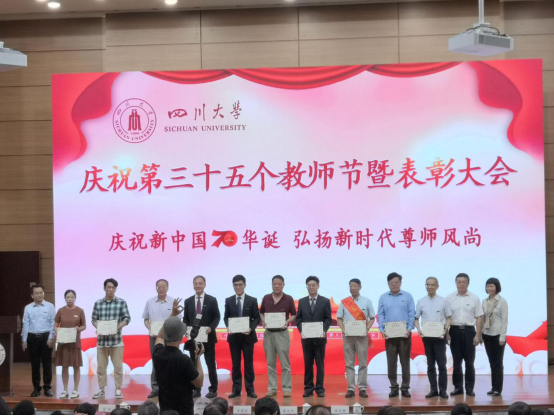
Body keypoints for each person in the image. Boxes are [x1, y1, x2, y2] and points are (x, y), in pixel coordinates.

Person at [154, 299, 204, 414]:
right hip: (184, 410)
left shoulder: (158, 353)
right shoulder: (184, 360)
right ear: (181, 337)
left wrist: (172, 315)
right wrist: (198, 357)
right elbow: (199, 383)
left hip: (165, 409)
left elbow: (159, 336)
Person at [91, 278, 131, 400]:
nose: (111, 289)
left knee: (118, 367)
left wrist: (116, 328)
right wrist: (99, 327)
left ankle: (118, 389)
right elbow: (94, 319)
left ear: (116, 289)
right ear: (104, 288)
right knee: (101, 368)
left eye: (113, 287)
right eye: (109, 287)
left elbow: (127, 318)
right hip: (102, 341)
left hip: (116, 340)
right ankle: (101, 389)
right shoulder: (98, 303)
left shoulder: (121, 302)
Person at [377, 272, 415, 398]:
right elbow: (381, 315)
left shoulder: (407, 296)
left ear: (400, 283)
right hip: (390, 336)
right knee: (391, 363)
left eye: (396, 282)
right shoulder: (383, 297)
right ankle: (393, 387)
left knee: (405, 362)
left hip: (405, 335)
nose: (394, 284)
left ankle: (405, 388)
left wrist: (409, 329)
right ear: (388, 284)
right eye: (391, 282)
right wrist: (382, 330)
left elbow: (411, 313)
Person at [414, 277, 452, 399]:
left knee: (442, 365)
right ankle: (433, 389)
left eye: (432, 285)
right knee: (430, 364)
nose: (430, 287)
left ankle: (443, 390)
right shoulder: (421, 301)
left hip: (440, 337)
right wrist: (419, 330)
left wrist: (445, 330)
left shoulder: (443, 301)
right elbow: (416, 318)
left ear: (437, 286)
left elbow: (449, 317)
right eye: (428, 285)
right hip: (427, 337)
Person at [446, 273, 483, 397]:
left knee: (469, 362)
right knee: (456, 362)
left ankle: (469, 388)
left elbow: (479, 317)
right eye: (459, 282)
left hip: (469, 331)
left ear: (468, 283)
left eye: (464, 282)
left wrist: (478, 335)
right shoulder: (449, 298)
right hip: (454, 331)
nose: (461, 284)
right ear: (456, 283)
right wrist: (446, 332)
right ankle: (458, 387)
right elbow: (446, 317)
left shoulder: (474, 298)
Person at [336, 278, 375, 399]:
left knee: (362, 363)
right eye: (351, 286)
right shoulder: (344, 302)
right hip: (348, 337)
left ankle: (362, 388)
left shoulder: (367, 301)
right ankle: (351, 388)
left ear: (360, 287)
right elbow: (339, 318)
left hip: (362, 337)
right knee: (349, 364)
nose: (352, 288)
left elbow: (372, 318)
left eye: (355, 286)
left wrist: (366, 329)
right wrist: (343, 329)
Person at [184, 275, 221, 399]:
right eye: (196, 283)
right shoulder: (188, 301)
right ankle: (196, 389)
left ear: (205, 285)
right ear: (193, 285)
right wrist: (186, 329)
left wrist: (211, 327)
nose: (198, 285)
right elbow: (185, 319)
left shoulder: (212, 300)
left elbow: (217, 317)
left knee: (210, 364)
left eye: (200, 283)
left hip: (208, 337)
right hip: (193, 338)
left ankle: (213, 388)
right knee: (194, 364)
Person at [224, 275, 260, 399]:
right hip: (234, 338)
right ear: (233, 286)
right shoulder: (228, 300)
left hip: (248, 337)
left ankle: (250, 390)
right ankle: (236, 390)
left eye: (240, 284)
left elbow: (257, 318)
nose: (238, 287)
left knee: (249, 364)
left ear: (245, 285)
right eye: (235, 285)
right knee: (235, 365)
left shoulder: (252, 300)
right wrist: (229, 326)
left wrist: (251, 328)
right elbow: (226, 317)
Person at [260, 275, 296, 398]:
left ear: (283, 285)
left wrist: (287, 321)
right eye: (274, 284)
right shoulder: (266, 298)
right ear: (272, 285)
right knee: (270, 363)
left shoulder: (288, 299)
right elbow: (261, 313)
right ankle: (272, 388)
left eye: (279, 284)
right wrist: (263, 320)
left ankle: (287, 388)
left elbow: (294, 315)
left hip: (282, 333)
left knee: (285, 363)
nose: (276, 286)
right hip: (269, 333)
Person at [142, 279, 179, 399]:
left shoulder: (173, 301)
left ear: (167, 288)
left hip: (169, 337)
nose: (161, 288)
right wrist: (150, 328)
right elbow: (146, 319)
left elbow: (178, 319)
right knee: (156, 361)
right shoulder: (150, 302)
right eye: (159, 286)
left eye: (164, 286)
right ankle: (155, 388)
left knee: (170, 361)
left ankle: (170, 387)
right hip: (154, 337)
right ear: (156, 288)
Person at [296, 276, 332, 398]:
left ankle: (320, 389)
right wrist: (302, 330)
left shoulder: (325, 301)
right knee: (308, 364)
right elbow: (299, 318)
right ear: (306, 287)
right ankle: (308, 388)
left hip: (320, 339)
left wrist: (323, 330)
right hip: (306, 339)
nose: (311, 287)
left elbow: (328, 318)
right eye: (309, 285)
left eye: (313, 285)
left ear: (318, 286)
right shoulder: (302, 301)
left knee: (320, 365)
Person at [22, 283, 55, 397]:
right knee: (35, 365)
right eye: (37, 293)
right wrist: (24, 340)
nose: (39, 295)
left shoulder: (50, 306)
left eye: (41, 292)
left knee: (47, 364)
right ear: (32, 295)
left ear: (44, 293)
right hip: (32, 338)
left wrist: (51, 337)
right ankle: (36, 388)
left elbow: (53, 323)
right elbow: (25, 324)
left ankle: (47, 388)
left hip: (46, 337)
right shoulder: (28, 308)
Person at [54, 289, 86, 399]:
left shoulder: (80, 311)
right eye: (68, 297)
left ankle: (75, 390)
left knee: (76, 366)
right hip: (63, 343)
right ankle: (65, 390)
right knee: (64, 366)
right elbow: (55, 325)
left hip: (75, 342)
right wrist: (57, 330)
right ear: (65, 298)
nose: (70, 299)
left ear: (75, 298)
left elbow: (84, 326)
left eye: (72, 297)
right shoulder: (61, 311)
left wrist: (78, 329)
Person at [482, 277, 508, 397]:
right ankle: (493, 387)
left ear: (497, 287)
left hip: (498, 335)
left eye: (492, 286)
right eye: (488, 286)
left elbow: (504, 321)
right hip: (487, 334)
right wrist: (480, 334)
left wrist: (502, 337)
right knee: (492, 362)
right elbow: (482, 318)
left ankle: (498, 389)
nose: (489, 288)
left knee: (498, 363)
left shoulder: (502, 301)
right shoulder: (484, 301)